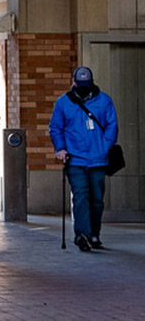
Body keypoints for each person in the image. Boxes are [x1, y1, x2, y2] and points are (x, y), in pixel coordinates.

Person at [49, 66, 119, 252]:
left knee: (96, 199)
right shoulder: (64, 102)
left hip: (98, 159)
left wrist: (103, 149)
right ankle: (83, 235)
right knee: (81, 195)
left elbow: (112, 126)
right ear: (73, 82)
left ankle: (94, 233)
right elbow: (56, 128)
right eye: (80, 84)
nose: (83, 87)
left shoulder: (104, 101)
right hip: (75, 158)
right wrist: (61, 148)